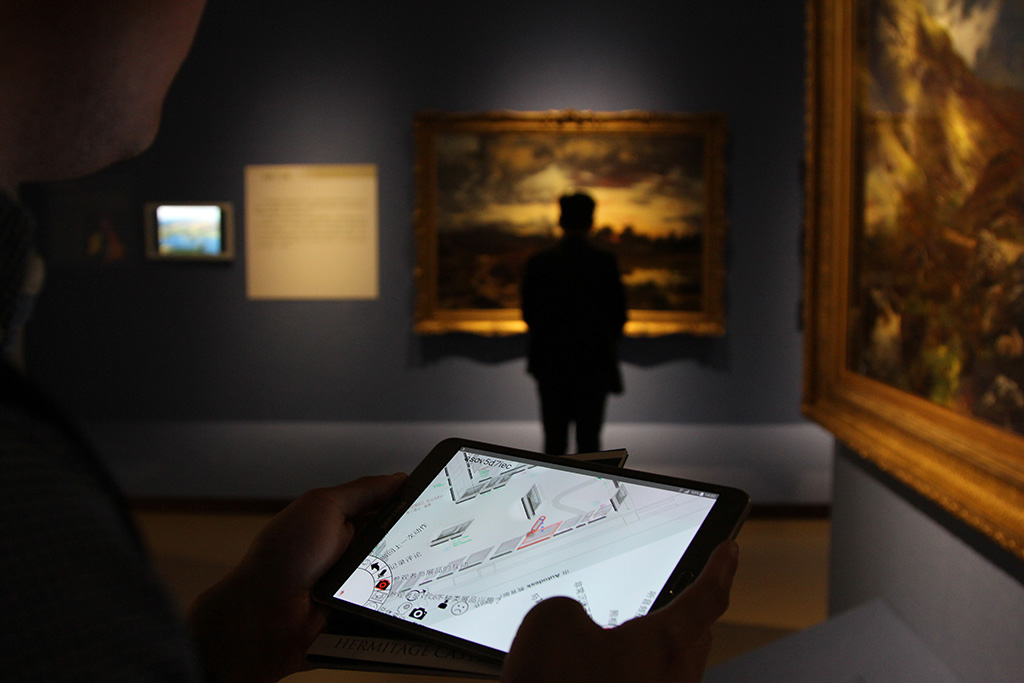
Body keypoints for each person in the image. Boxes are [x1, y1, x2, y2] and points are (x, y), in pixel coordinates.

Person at [0, 2, 738, 681]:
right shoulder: (34, 496)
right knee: (586, 450)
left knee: (556, 447)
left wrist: (226, 640)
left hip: (553, 356)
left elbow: (530, 307)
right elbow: (609, 313)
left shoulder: (38, 478)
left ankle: (557, 512)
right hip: (586, 358)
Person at [521, 192, 628, 454]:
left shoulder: (539, 263)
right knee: (590, 443)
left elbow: (529, 314)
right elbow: (618, 316)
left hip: (551, 364)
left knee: (554, 441)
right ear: (590, 221)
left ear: (561, 220)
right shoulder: (604, 263)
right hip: (593, 364)